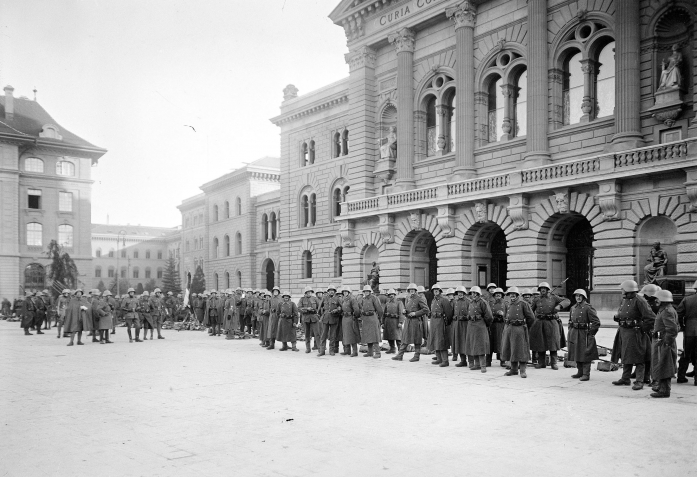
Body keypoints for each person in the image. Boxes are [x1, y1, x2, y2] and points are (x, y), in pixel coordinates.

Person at [611, 280, 656, 390]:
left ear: (628, 290)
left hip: (635, 333)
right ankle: (625, 378)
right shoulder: (624, 300)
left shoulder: (640, 301)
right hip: (624, 332)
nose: (621, 291)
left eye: (623, 289)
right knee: (626, 355)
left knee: (639, 356)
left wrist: (643, 329)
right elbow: (623, 312)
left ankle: (639, 381)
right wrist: (618, 317)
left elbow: (651, 318)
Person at [530, 282, 570, 370]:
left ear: (548, 290)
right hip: (539, 322)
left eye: (545, 288)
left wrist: (559, 306)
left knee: (553, 343)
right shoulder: (536, 299)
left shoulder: (554, 297)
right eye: (541, 289)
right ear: (539, 290)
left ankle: (554, 363)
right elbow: (530, 311)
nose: (543, 290)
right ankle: (541, 363)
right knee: (540, 343)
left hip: (551, 322)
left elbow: (567, 301)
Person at [650, 290, 679, 398]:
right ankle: (661, 387)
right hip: (662, 341)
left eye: (657, 298)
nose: (656, 300)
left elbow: (672, 329)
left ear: (662, 299)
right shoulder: (665, 310)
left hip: (664, 342)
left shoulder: (667, 311)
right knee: (661, 364)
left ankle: (664, 390)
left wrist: (666, 342)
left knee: (665, 365)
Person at [501, 287, 535, 378]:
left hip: (519, 329)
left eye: (514, 294)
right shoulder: (508, 304)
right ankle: (513, 370)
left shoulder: (523, 304)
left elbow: (531, 317)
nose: (512, 295)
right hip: (509, 328)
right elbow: (505, 316)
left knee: (521, 350)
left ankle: (523, 371)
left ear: (517, 295)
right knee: (511, 349)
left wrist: (524, 325)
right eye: (510, 294)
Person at [566, 289, 600, 381]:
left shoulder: (588, 308)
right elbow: (570, 321)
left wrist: (591, 333)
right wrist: (570, 331)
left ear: (584, 297)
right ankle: (580, 371)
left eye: (580, 296)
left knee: (585, 353)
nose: (578, 297)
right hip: (574, 332)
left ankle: (586, 374)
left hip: (584, 333)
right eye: (576, 296)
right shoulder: (573, 308)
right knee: (576, 352)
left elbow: (596, 322)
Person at [392, 283, 429, 362]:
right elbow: (407, 308)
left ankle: (416, 356)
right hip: (408, 321)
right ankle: (400, 355)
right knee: (405, 337)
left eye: (413, 290)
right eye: (410, 290)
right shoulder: (408, 298)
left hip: (416, 321)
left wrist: (415, 313)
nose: (411, 291)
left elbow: (426, 309)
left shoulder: (419, 298)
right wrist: (404, 311)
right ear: (408, 291)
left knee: (417, 339)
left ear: (415, 291)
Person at [465, 286, 493, 373]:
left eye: (475, 293)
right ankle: (477, 365)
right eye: (472, 293)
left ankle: (483, 366)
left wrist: (485, 325)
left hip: (480, 325)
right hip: (471, 325)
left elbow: (489, 316)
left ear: (478, 294)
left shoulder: (483, 302)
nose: (473, 295)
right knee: (473, 344)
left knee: (481, 345)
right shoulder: (471, 303)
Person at [676, 280, 697, 386]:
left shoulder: (687, 299)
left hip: (689, 330)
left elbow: (678, 314)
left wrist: (682, 325)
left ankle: (681, 376)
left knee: (686, 353)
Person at [428, 284, 453, 367]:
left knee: (441, 341)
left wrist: (446, 323)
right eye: (434, 290)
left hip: (441, 322)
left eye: (437, 290)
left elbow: (449, 313)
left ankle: (445, 361)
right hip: (433, 321)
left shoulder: (444, 300)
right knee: (435, 340)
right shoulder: (433, 300)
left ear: (440, 291)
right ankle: (439, 359)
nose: (435, 291)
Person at [358, 285, 384, 359]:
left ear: (370, 291)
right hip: (366, 319)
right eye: (365, 291)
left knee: (374, 336)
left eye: (367, 291)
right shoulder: (363, 299)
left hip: (372, 318)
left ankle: (378, 353)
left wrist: (379, 318)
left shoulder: (374, 298)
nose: (366, 292)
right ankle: (370, 352)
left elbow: (379, 309)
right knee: (368, 335)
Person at [318, 285, 342, 356]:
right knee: (323, 335)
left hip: (334, 318)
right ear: (328, 291)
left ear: (334, 292)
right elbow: (319, 308)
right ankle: (322, 351)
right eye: (330, 290)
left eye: (333, 290)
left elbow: (341, 308)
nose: (331, 292)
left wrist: (337, 310)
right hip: (325, 318)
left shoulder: (337, 299)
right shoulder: (324, 298)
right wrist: (321, 315)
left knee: (332, 335)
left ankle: (331, 350)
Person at [451, 286, 470, 368]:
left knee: (466, 342)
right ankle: (463, 361)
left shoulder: (468, 301)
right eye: (458, 293)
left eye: (461, 292)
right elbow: (451, 312)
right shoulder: (455, 302)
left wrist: (466, 317)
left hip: (466, 325)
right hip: (457, 325)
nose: (460, 294)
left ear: (464, 293)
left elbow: (471, 313)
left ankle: (471, 361)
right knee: (459, 342)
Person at [298, 286, 320, 353]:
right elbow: (299, 308)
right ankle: (308, 348)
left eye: (310, 292)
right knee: (307, 334)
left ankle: (319, 348)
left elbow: (319, 308)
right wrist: (306, 309)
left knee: (317, 334)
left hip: (314, 318)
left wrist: (315, 311)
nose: (309, 293)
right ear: (305, 293)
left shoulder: (315, 299)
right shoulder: (302, 299)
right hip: (306, 318)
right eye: (308, 292)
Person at [382, 289, 405, 354]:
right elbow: (384, 313)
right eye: (390, 295)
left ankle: (400, 350)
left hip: (395, 321)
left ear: (395, 295)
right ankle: (392, 348)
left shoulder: (399, 302)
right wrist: (382, 322)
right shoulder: (387, 303)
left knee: (398, 336)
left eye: (392, 294)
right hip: (388, 321)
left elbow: (401, 313)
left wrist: (400, 322)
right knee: (389, 336)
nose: (391, 296)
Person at [489, 287, 507, 367]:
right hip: (492, 325)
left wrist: (503, 315)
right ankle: (488, 360)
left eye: (499, 295)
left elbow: (509, 315)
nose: (498, 296)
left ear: (502, 295)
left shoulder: (505, 304)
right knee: (490, 343)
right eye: (496, 295)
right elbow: (487, 314)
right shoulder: (490, 304)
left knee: (501, 342)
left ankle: (502, 360)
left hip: (501, 325)